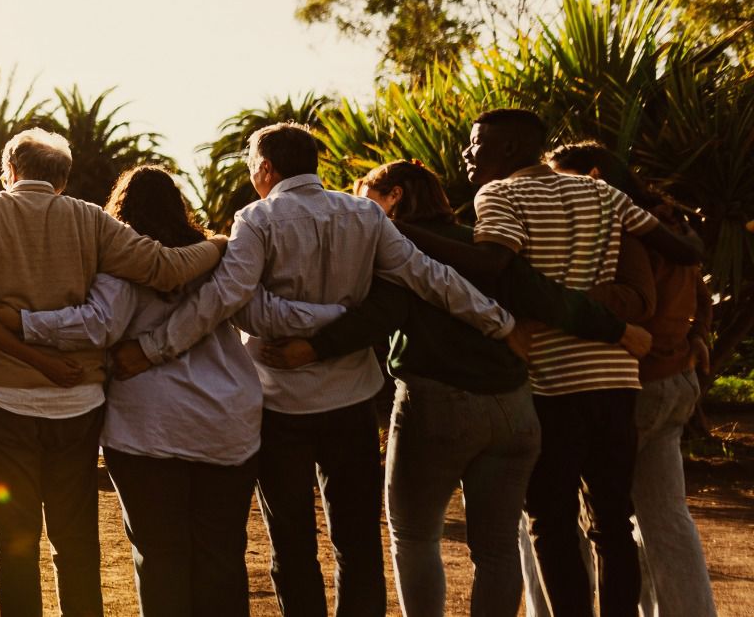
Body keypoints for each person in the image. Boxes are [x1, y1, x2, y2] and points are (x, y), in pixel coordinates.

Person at [112, 123, 515, 617]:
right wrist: (499, 322)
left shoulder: (255, 219)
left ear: (265, 167)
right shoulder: (364, 214)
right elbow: (429, 277)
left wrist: (152, 348)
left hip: (280, 405)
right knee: (358, 542)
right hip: (351, 400)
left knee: (292, 542)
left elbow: (229, 301)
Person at [258, 160, 648, 617]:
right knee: (498, 547)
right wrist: (617, 329)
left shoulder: (395, 250)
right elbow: (545, 295)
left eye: (366, 195)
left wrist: (315, 347)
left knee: (415, 536)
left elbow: (384, 311)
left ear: (394, 197)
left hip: (436, 406)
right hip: (513, 410)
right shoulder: (481, 248)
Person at [0, 130, 230, 616]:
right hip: (78, 405)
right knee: (74, 541)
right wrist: (221, 244)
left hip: (4, 402)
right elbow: (163, 267)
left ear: (10, 169)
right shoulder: (90, 219)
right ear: (62, 177)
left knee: (15, 544)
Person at [0, 165, 345, 617]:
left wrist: (23, 321)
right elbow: (260, 313)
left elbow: (99, 323)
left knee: (160, 557)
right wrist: (338, 316)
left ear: (121, 211)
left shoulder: (122, 262)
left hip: (147, 426)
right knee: (221, 555)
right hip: (226, 423)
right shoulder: (216, 257)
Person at [392, 110, 702, 617]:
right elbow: (685, 252)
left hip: (552, 382)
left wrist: (399, 232)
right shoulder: (602, 193)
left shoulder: (501, 195)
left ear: (510, 149)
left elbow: (495, 264)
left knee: (552, 522)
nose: (468, 155)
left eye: (476, 144)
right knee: (612, 522)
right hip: (615, 379)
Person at [549, 141, 716, 617]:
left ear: (594, 175)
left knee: (600, 518)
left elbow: (633, 300)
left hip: (632, 383)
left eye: (562, 179)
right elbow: (701, 295)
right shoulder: (667, 222)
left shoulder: (620, 226)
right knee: (663, 516)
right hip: (675, 379)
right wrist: (698, 338)